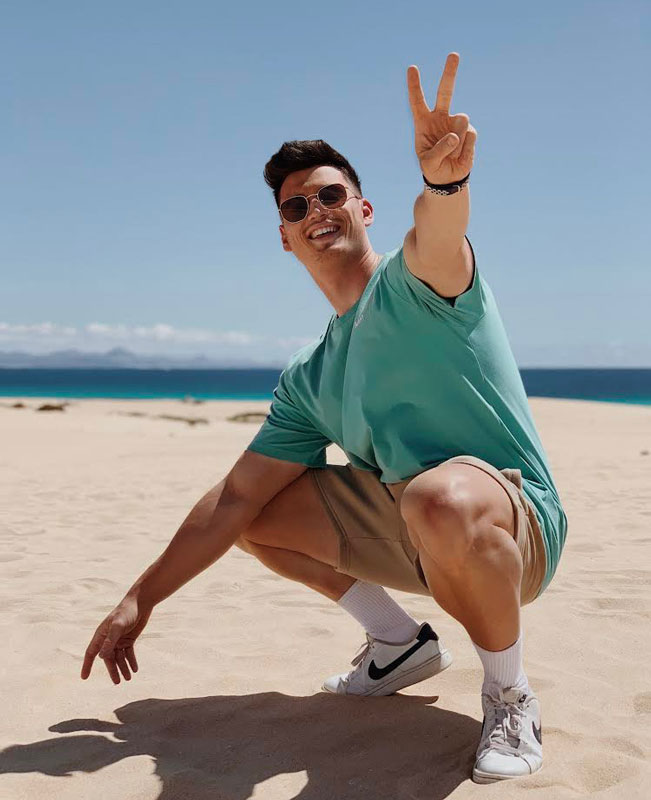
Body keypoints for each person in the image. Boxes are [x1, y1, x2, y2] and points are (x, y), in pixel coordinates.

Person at [81, 52, 567, 785]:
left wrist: (443, 182)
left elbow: (438, 230)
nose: (315, 212)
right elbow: (235, 498)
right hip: (417, 532)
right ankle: (397, 644)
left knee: (437, 497)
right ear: (282, 236)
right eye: (295, 206)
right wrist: (138, 598)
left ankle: (508, 693)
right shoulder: (309, 376)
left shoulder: (421, 281)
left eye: (330, 195)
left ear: (363, 208)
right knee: (253, 512)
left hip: (509, 523)